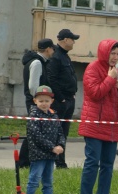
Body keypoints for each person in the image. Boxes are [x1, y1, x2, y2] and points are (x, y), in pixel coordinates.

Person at [77, 39, 118, 194]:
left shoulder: (117, 72)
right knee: (92, 163)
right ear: (105, 52)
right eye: (112, 53)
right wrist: (110, 79)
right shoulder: (93, 68)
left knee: (108, 164)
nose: (115, 57)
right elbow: (95, 93)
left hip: (112, 125)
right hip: (94, 124)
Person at [24, 85, 65, 194]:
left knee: (48, 183)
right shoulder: (33, 116)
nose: (44, 103)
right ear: (35, 101)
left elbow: (60, 132)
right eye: (41, 100)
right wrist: (52, 147)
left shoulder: (54, 115)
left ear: (51, 101)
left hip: (50, 155)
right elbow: (36, 136)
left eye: (47, 101)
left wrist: (60, 145)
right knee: (34, 181)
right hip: (38, 154)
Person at [19, 38, 55, 168]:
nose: (53, 51)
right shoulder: (37, 63)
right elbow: (33, 86)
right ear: (48, 49)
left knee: (35, 130)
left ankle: (27, 161)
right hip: (35, 102)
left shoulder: (39, 61)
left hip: (36, 101)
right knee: (33, 131)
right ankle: (23, 162)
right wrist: (40, 101)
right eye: (52, 49)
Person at [47, 28, 80, 169]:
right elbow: (52, 79)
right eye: (73, 39)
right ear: (66, 40)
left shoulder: (64, 56)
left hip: (69, 99)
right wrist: (61, 98)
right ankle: (57, 162)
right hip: (61, 101)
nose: (74, 43)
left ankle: (61, 162)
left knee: (64, 133)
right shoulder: (56, 57)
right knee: (57, 132)